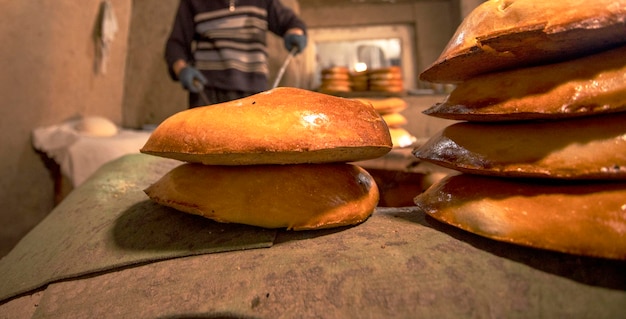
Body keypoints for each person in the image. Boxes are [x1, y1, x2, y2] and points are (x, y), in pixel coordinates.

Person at [165, 0, 308, 108]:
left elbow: (291, 22)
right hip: (207, 91)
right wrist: (182, 69)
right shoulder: (193, 2)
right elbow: (176, 44)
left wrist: (295, 32)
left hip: (254, 93)